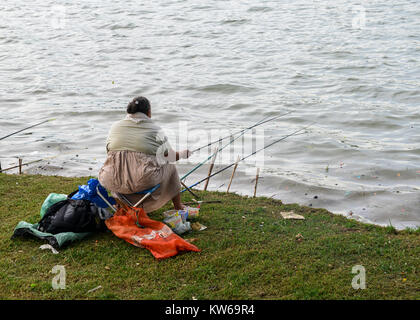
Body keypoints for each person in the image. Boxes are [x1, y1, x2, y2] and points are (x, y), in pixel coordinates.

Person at [98, 96, 191, 212]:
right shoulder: (155, 129)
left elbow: (109, 151)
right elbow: (171, 156)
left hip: (112, 179)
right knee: (170, 165)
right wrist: (183, 154)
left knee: (119, 166)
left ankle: (122, 204)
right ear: (148, 112)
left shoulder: (115, 126)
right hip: (141, 181)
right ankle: (178, 206)